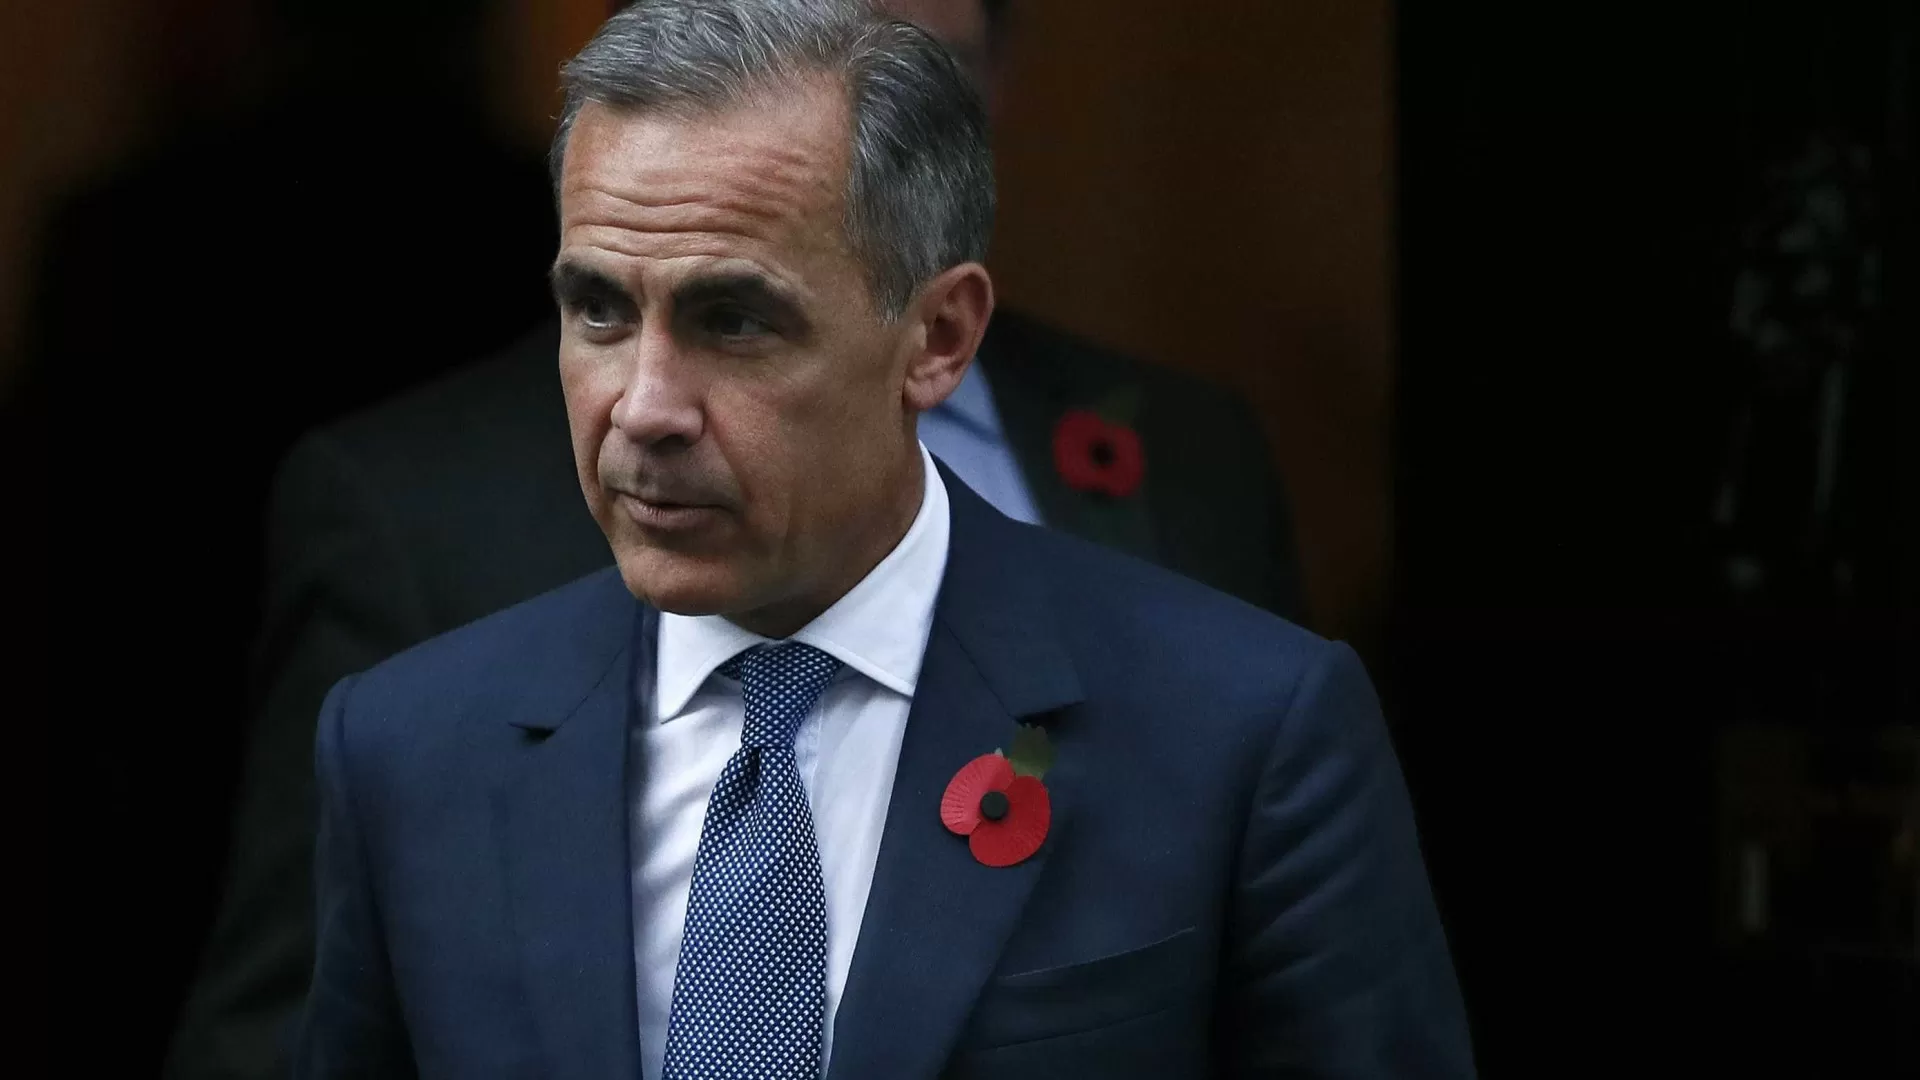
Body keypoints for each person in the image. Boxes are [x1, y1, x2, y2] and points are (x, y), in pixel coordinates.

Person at [292, 2, 1471, 1077]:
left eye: (733, 319)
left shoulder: (1244, 732)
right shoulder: (407, 749)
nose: (644, 407)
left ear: (939, 337)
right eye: (598, 308)